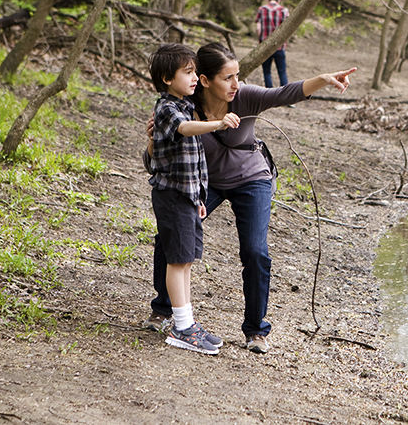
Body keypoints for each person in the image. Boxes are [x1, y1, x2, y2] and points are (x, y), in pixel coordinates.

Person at [145, 43, 356, 355]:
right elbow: (157, 157)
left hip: (251, 179)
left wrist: (323, 79)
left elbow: (287, 93)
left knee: (255, 251)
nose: (236, 84)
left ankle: (256, 330)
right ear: (204, 80)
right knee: (170, 235)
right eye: (227, 78)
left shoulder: (245, 96)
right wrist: (152, 139)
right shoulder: (182, 105)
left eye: (238, 75)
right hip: (205, 183)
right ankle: (165, 312)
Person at [147, 43, 241, 355]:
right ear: (165, 79)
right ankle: (182, 328)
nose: (192, 78)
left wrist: (199, 197)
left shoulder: (185, 105)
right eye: (186, 73)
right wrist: (218, 123)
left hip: (186, 196)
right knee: (177, 260)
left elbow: (195, 161)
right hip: (171, 195)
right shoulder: (167, 110)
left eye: (193, 72)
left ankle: (185, 321)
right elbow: (185, 130)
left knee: (186, 259)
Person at [255, 0, 290, 88]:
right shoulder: (284, 10)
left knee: (267, 71)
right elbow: (289, 28)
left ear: (268, 0)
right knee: (282, 71)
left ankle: (269, 94)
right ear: (278, 1)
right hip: (280, 46)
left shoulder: (262, 9)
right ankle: (285, 94)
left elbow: (258, 28)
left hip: (265, 46)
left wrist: (260, 41)